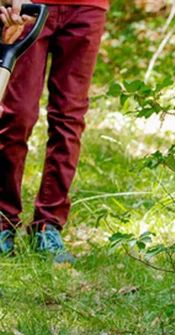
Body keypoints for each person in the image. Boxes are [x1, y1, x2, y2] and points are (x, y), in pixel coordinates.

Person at [0, 0, 108, 263]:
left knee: (69, 117)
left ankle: (48, 227)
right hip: (29, 5)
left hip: (88, 7)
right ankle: (3, 221)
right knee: (17, 115)